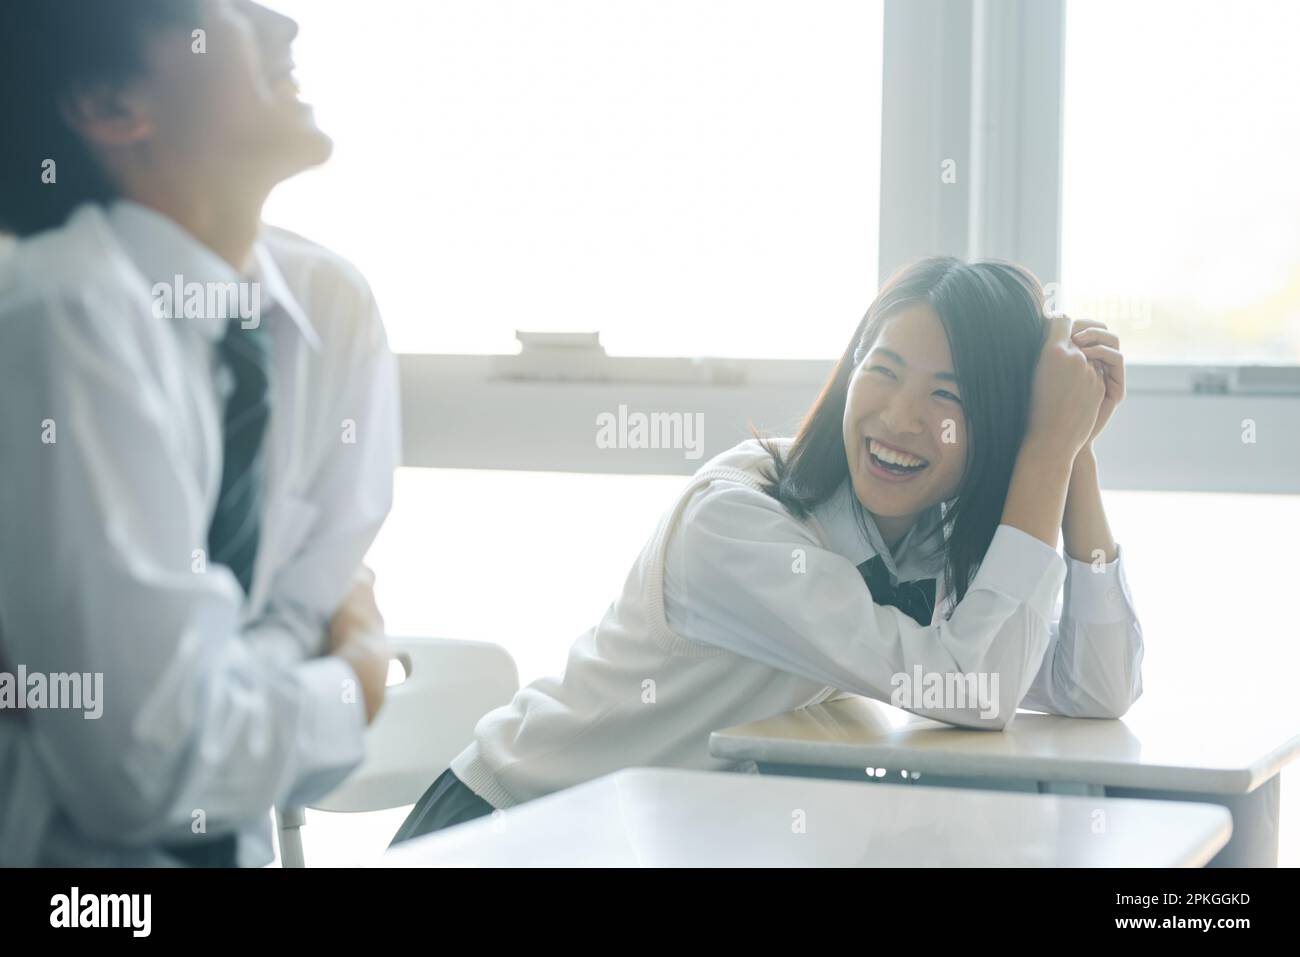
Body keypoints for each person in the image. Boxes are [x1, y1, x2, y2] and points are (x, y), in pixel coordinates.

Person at [392, 256, 1143, 842]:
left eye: (946, 397)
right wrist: (1044, 448)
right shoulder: (739, 524)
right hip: (506, 833)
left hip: (635, 844)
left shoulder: (921, 532)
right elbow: (973, 688)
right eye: (880, 371)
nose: (900, 418)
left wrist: (1073, 457)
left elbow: (1094, 688)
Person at [0, 0, 399, 866]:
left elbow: (216, 702)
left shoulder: (332, 315)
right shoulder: (62, 314)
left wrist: (217, 702)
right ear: (112, 106)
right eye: (225, 10)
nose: (284, 28)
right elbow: (140, 771)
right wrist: (355, 679)